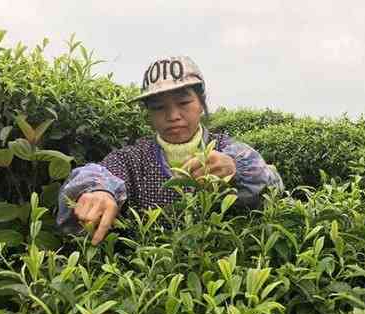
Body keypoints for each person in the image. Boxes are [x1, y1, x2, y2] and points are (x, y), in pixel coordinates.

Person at [56, 56, 284, 245]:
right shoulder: (132, 159)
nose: (173, 115)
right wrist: (98, 191)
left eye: (183, 103)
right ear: (149, 113)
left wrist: (236, 171)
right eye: (158, 107)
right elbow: (99, 174)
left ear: (201, 104)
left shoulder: (227, 149)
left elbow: (273, 184)